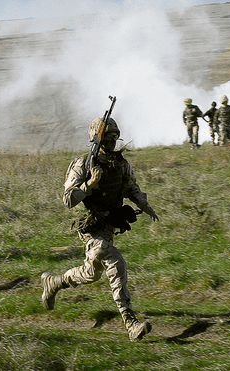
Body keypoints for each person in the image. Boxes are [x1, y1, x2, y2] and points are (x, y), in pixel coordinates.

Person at [41, 117, 159, 341]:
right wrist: (89, 185)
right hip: (92, 227)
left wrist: (145, 206)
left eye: (116, 136)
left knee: (91, 273)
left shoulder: (120, 164)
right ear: (98, 139)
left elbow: (132, 188)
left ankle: (54, 282)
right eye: (108, 136)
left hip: (109, 226)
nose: (113, 140)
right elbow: (68, 200)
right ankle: (130, 323)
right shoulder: (83, 165)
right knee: (115, 262)